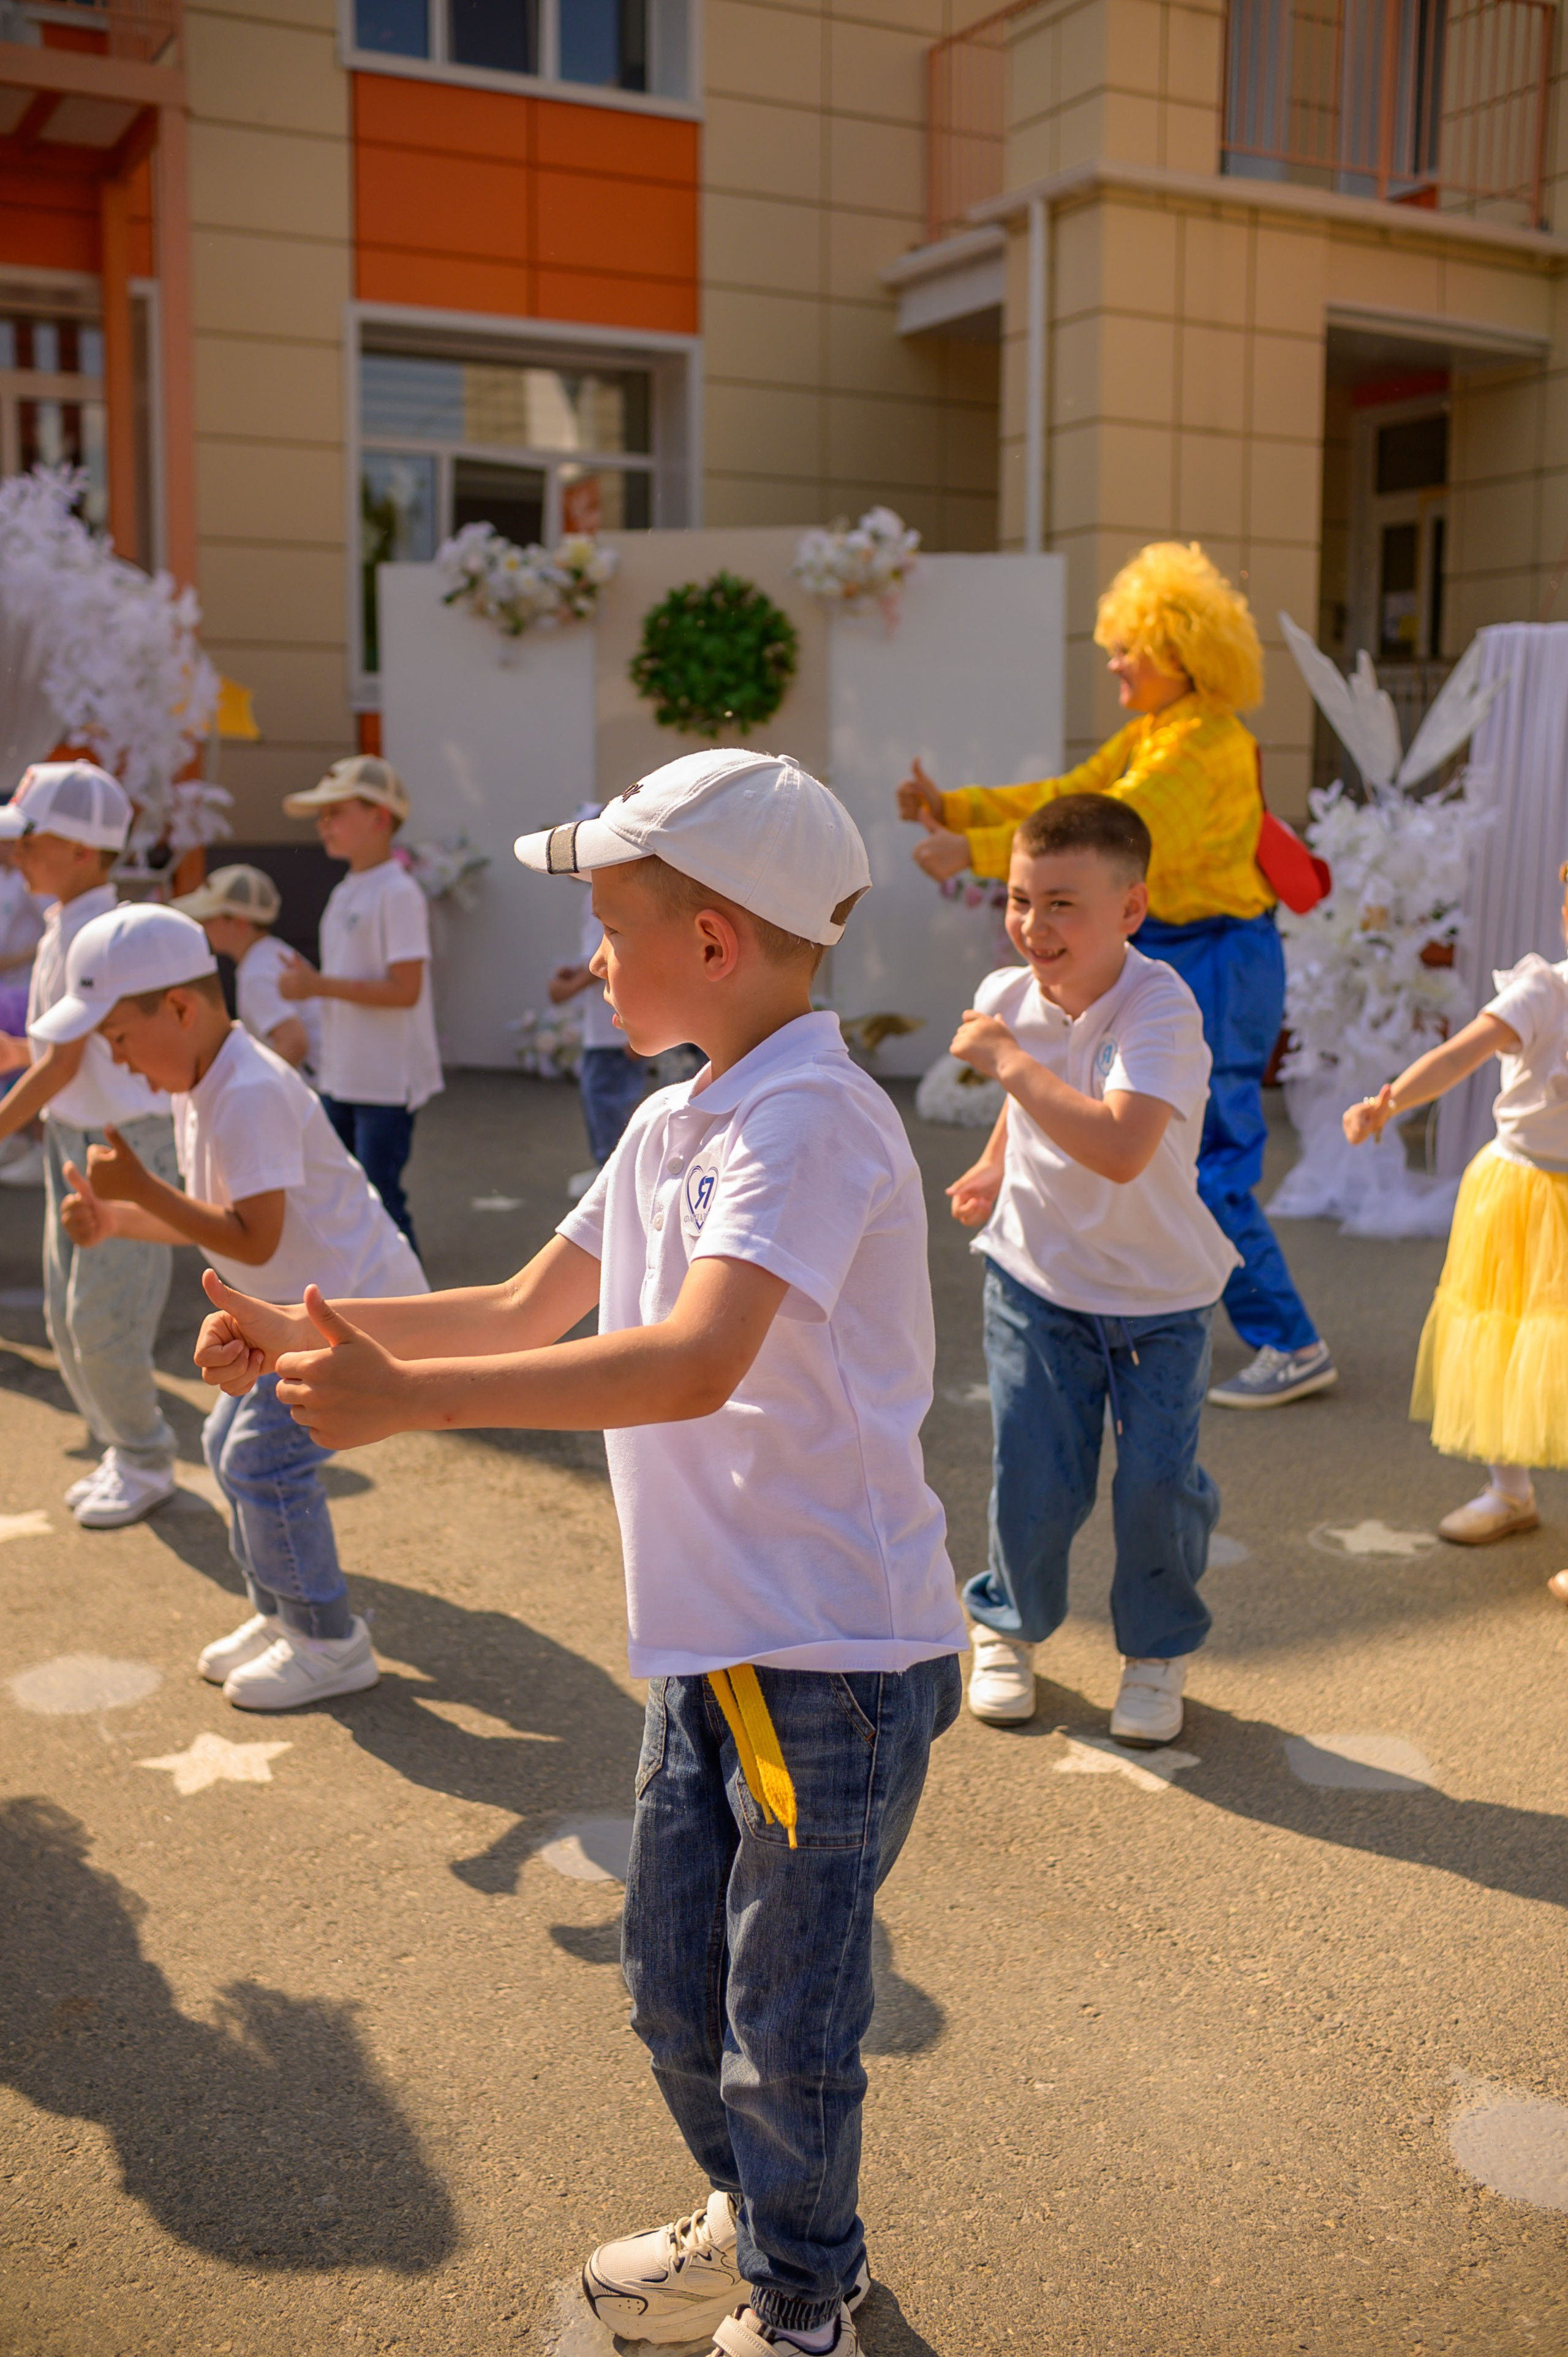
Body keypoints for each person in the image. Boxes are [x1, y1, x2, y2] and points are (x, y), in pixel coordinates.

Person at [190, 748, 965, 2356]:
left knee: (780, 2021)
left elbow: (687, 1358)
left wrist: (410, 1404)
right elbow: (521, 1303)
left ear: (719, 939)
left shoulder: (808, 1120)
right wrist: (291, 1327)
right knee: (669, 1984)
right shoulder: (681, 1118)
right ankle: (764, 2218)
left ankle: (805, 2298)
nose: (590, 958)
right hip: (714, 1644)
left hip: (838, 1661)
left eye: (612, 925)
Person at [897, 540, 1333, 1411]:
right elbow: (1071, 799)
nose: (1115, 662)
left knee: (1209, 1158)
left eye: (1128, 646)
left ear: (1179, 652)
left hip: (1219, 955)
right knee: (1165, 1146)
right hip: (1186, 946)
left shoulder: (1203, 745)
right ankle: (1192, 1308)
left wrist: (972, 851)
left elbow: (1114, 830)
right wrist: (959, 809)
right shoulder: (1159, 731)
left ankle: (1290, 1338)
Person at [35, 900, 426, 1706]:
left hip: (357, 1321)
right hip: (293, 1313)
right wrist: (117, 1216)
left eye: (119, 1039)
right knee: (225, 1443)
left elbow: (251, 1236)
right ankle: (283, 1614)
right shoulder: (202, 1077)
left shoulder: (246, 1089)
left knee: (260, 1459)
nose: (120, 1060)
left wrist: (139, 1188)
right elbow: (217, 1217)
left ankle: (327, 1636)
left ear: (180, 1007)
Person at [944, 793, 1237, 1742]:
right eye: (1020, 898)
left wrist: (1002, 1062)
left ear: (1131, 909)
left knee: (1157, 1483)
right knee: (1033, 1468)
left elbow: (1118, 1145)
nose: (1032, 925)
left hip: (1160, 1298)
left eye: (1062, 903)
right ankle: (1007, 1627)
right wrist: (995, 1161)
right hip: (1035, 1276)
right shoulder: (1009, 997)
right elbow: (1032, 1097)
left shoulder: (1162, 1008)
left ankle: (1155, 1655)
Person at [1344, 876, 1568, 1610]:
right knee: (1501, 1343)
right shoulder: (1542, 993)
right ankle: (1509, 1491)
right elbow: (1456, 1057)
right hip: (1520, 1190)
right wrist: (1389, 1102)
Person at [0, 762, 183, 1527]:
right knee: (70, 1316)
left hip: (122, 1147)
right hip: (76, 1138)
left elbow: (63, 1063)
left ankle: (145, 1457)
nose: (15, 853)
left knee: (102, 1317)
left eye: (29, 839)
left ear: (83, 850)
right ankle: (122, 1446)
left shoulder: (94, 933)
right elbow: (55, 1052)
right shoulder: (64, 923)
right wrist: (20, 1059)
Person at [273, 754, 442, 1252]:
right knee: (347, 1197)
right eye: (322, 814)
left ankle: (410, 1311)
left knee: (380, 1199)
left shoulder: (398, 892)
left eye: (336, 811)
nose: (324, 824)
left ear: (380, 817)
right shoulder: (347, 890)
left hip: (385, 1082)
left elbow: (405, 990)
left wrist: (316, 986)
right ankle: (367, 1305)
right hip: (343, 1074)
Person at [548, 807, 648, 1199]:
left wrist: (569, 987)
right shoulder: (600, 894)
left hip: (614, 1026)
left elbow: (611, 960)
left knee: (611, 1102)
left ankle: (614, 1179)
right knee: (599, 1098)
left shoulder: (614, 892)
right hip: (605, 1025)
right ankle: (606, 1169)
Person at [172, 862, 322, 1075]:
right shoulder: (269, 954)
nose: (201, 925)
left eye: (209, 918)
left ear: (240, 924)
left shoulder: (257, 973)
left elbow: (294, 1044)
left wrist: (253, 1089)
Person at [0, 836, 50, 1185]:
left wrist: (14, 961)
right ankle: (17, 1138)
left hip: (25, 992)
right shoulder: (7, 880)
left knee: (37, 1063)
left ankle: (38, 1145)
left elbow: (51, 929)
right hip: (8, 992)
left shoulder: (29, 883)